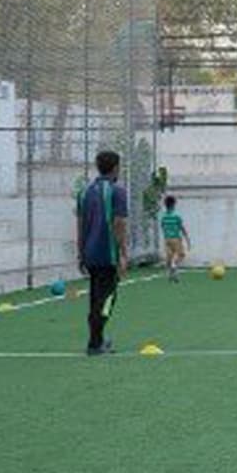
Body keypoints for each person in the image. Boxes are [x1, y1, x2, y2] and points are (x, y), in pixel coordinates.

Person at [76, 150, 130, 355]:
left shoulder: (84, 192)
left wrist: (80, 252)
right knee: (107, 298)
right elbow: (119, 223)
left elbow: (80, 225)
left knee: (96, 297)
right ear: (116, 168)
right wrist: (123, 253)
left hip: (90, 253)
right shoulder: (118, 191)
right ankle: (95, 342)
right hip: (108, 254)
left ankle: (96, 340)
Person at [160, 195, 191, 282]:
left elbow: (163, 227)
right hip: (176, 238)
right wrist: (187, 238)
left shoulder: (163, 217)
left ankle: (171, 275)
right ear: (174, 205)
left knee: (170, 256)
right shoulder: (176, 216)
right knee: (181, 254)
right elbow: (181, 228)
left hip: (167, 239)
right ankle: (174, 266)